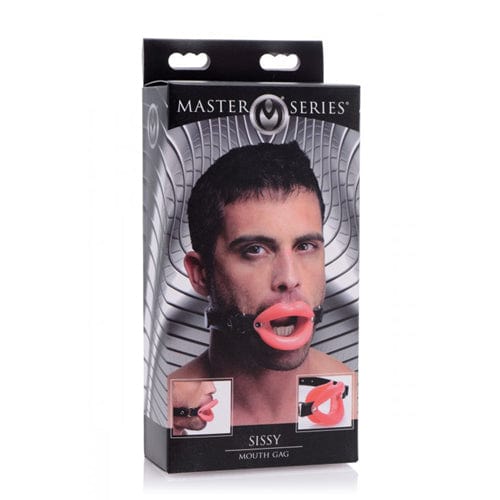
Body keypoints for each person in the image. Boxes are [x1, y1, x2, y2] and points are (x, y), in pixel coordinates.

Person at [168, 141, 353, 426]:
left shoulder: (357, 403)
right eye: (255, 250)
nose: (289, 279)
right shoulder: (168, 414)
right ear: (200, 274)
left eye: (305, 246)